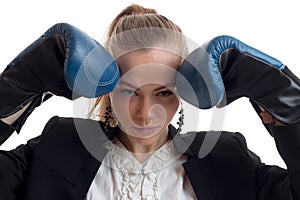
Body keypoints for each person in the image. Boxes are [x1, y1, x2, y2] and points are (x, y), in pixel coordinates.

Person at [0, 3, 300, 200]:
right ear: (106, 87)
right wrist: (20, 85)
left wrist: (284, 99)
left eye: (164, 92)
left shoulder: (227, 158)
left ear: (185, 89)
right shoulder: (56, 148)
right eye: (130, 91)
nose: (145, 115)